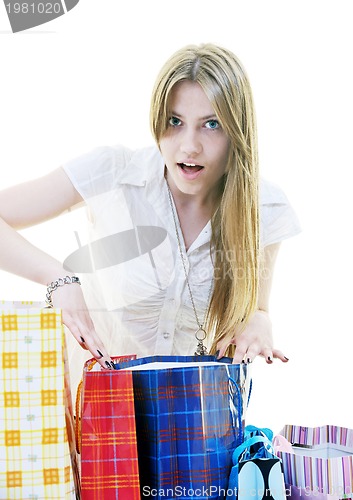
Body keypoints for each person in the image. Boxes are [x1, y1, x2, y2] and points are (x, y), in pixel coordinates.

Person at [0, 43, 300, 391]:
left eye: (211, 124)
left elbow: (257, 308)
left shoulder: (264, 209)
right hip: (95, 418)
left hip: (188, 422)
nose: (189, 146)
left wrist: (260, 323)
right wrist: (60, 279)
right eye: (175, 122)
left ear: (237, 131)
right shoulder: (113, 173)